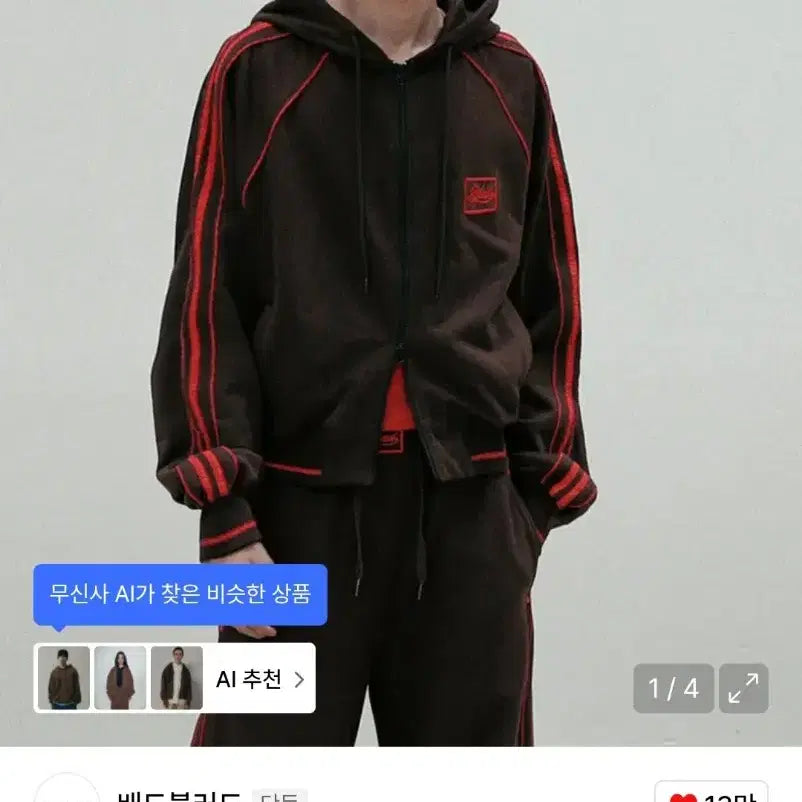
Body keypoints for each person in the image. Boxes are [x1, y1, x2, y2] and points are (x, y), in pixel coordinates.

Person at [151, 0, 596, 747]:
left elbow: (550, 287)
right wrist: (223, 509)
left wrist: (532, 502)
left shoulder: (508, 77)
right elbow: (206, 289)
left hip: (470, 512)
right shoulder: (257, 70)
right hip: (294, 512)